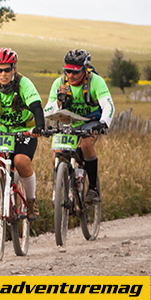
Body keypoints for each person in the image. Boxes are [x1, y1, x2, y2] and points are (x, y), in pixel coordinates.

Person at [0, 47, 46, 220]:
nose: (3, 74)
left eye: (7, 69)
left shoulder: (24, 83)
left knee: (21, 161)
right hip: (1, 130)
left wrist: (39, 126)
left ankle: (31, 201)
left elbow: (36, 106)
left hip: (24, 132)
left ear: (14, 69)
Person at [44, 49, 115, 205]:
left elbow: (108, 104)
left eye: (75, 72)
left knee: (86, 144)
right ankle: (68, 183)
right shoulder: (59, 83)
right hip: (68, 121)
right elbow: (47, 111)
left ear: (84, 69)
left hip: (90, 120)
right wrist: (58, 101)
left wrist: (103, 123)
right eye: (67, 71)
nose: (71, 76)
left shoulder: (95, 81)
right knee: (56, 154)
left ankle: (93, 189)